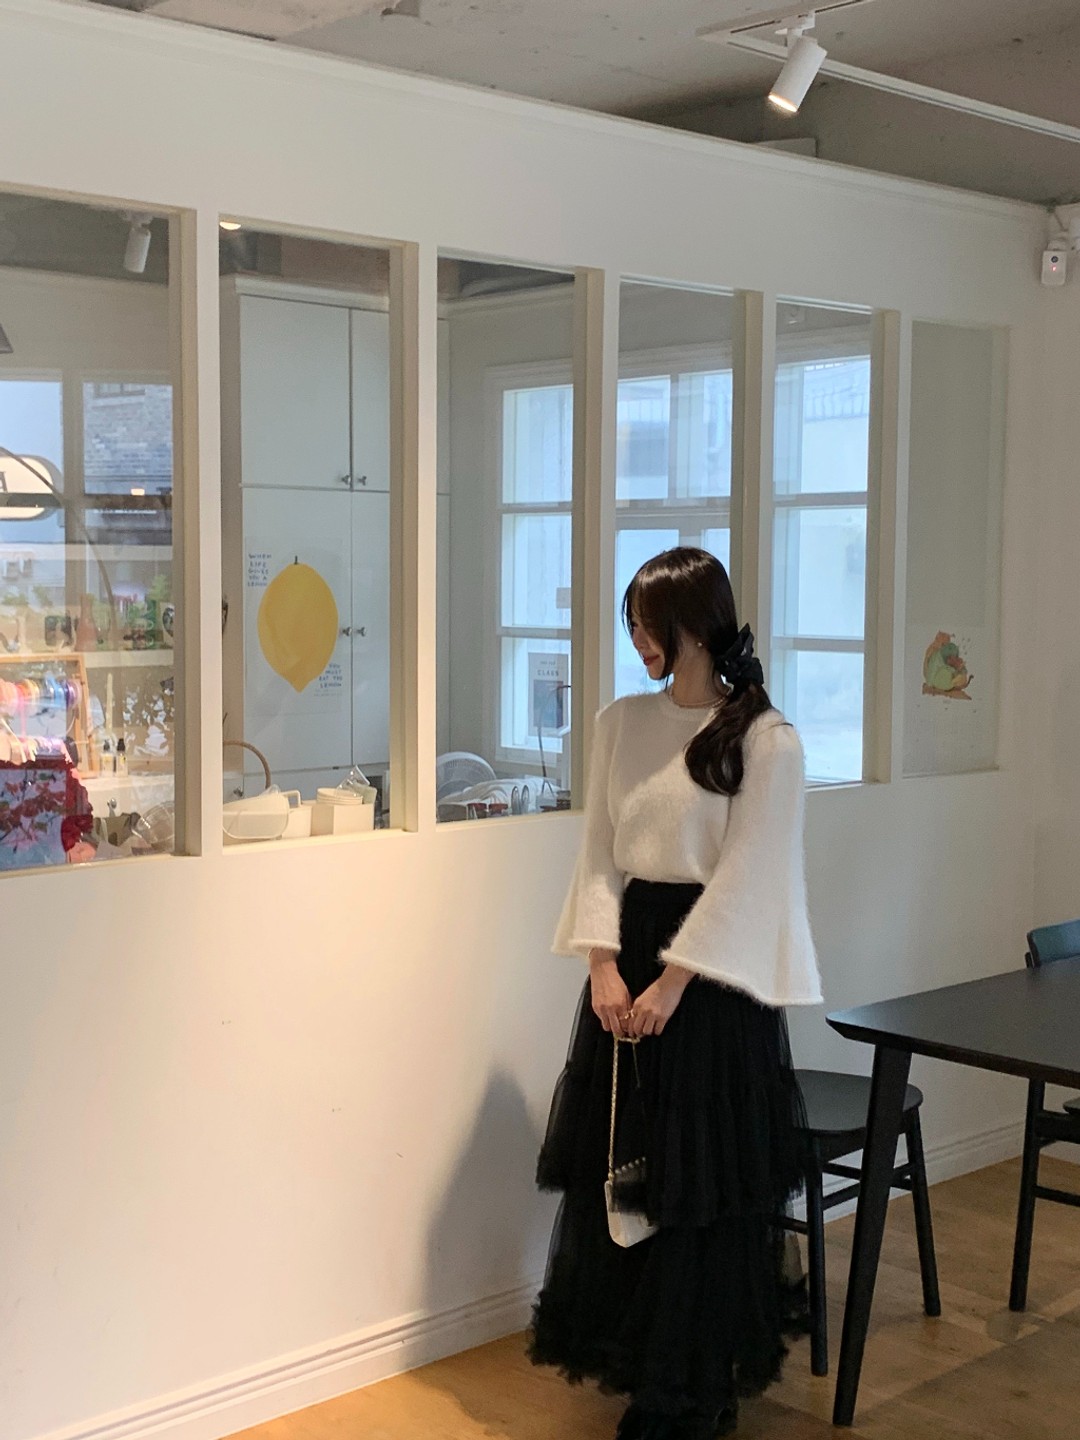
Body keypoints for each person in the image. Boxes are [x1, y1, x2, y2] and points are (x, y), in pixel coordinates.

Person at [529, 547, 822, 1440]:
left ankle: (695, 1387)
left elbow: (749, 878)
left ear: (694, 626)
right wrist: (603, 965)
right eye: (632, 624)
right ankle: (644, 1365)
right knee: (625, 1171)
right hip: (627, 963)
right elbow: (597, 854)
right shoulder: (620, 723)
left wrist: (672, 982)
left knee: (701, 1183)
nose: (638, 641)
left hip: (713, 983)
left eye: (648, 625)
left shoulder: (766, 739)